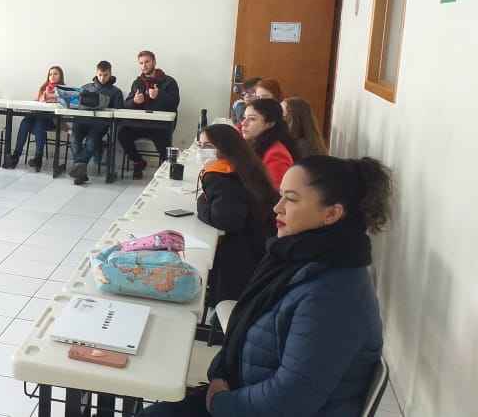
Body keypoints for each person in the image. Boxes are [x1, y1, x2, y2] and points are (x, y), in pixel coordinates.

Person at [143, 155, 390, 417]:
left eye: (291, 199)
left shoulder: (334, 295)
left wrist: (220, 402)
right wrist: (220, 378)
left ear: (331, 214)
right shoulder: (297, 258)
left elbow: (289, 401)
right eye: (281, 196)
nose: (277, 208)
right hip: (246, 396)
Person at [196, 124, 279, 305]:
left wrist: (201, 203)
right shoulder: (246, 166)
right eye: (200, 145)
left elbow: (225, 220)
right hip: (261, 250)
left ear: (225, 148)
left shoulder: (221, 175)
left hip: (241, 262)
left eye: (208, 146)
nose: (202, 151)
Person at [117, 50, 181, 179]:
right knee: (122, 133)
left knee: (164, 145)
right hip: (140, 124)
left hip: (160, 125)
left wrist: (159, 95)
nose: (144, 65)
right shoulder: (137, 82)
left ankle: (165, 170)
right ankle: (138, 162)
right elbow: (126, 104)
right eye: (141, 63)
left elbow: (174, 103)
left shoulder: (169, 81)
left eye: (147, 62)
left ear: (154, 62)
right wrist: (134, 101)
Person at [68, 61, 124, 185]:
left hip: (100, 124)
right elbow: (76, 104)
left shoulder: (116, 92)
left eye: (105, 75)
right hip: (81, 121)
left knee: (91, 141)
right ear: (96, 73)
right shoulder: (86, 87)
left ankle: (79, 167)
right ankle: (81, 171)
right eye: (100, 75)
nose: (102, 78)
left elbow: (119, 112)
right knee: (74, 139)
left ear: (110, 74)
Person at [2, 65, 64, 170]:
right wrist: (40, 99)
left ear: (60, 76)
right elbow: (38, 101)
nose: (52, 76)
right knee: (25, 122)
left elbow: (58, 102)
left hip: (52, 119)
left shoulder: (63, 90)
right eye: (50, 74)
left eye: (55, 74)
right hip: (38, 116)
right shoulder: (44, 88)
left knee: (39, 123)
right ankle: (15, 157)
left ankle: (38, 158)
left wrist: (47, 98)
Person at [241, 98, 299, 189]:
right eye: (244, 118)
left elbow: (274, 192)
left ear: (270, 124)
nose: (243, 123)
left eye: (252, 119)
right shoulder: (254, 144)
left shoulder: (276, 154)